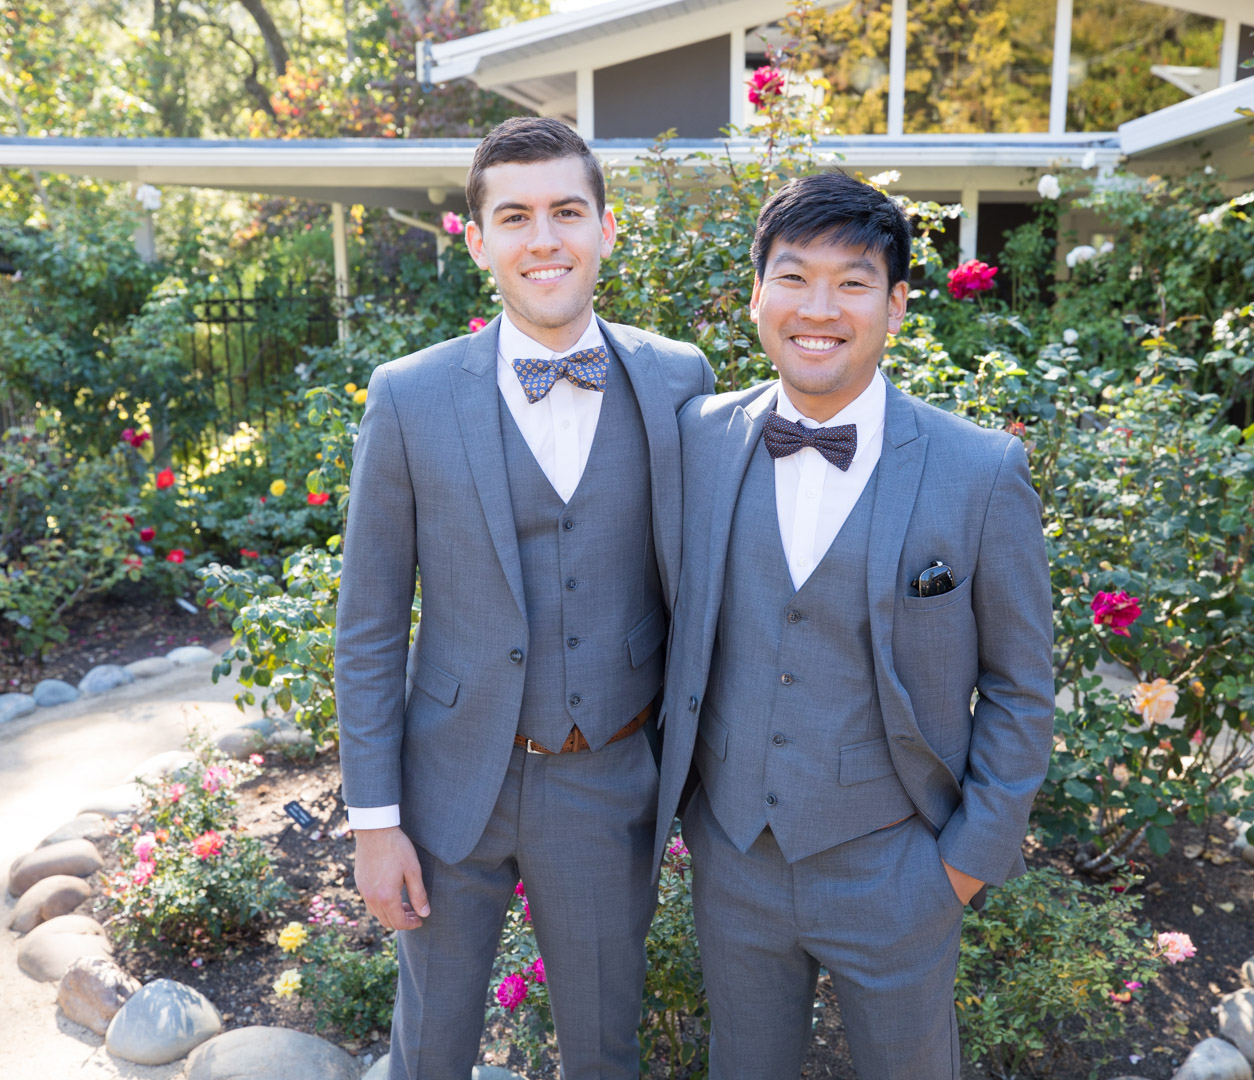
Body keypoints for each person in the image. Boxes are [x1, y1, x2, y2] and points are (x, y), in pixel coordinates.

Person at [335, 116, 714, 1080]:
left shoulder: (678, 380)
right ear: (477, 240)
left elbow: (706, 587)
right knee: (429, 1052)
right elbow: (369, 626)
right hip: (447, 784)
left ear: (607, 228)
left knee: (604, 1053)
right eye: (514, 217)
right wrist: (375, 823)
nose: (544, 239)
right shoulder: (409, 396)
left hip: (607, 776)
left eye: (566, 212)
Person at [654, 171, 1054, 1078]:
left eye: (853, 281)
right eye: (794, 277)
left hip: (899, 868)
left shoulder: (980, 472)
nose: (819, 308)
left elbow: (1023, 686)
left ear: (897, 304)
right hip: (735, 859)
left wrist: (961, 867)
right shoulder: (697, 441)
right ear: (757, 294)